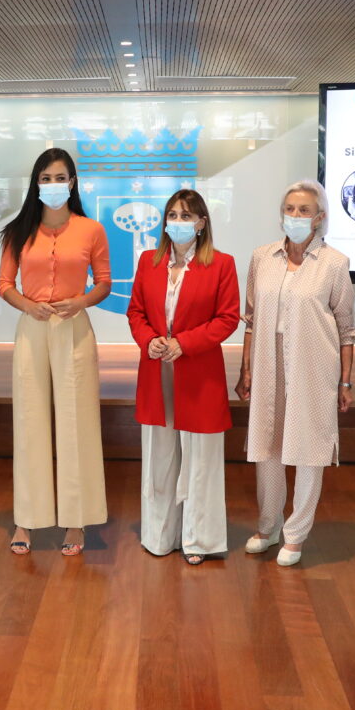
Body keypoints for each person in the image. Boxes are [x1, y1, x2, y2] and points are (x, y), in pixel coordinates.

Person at [236, 180, 355, 567]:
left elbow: (346, 328)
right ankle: (267, 527)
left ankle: (296, 534)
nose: (295, 216)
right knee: (267, 445)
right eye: (290, 208)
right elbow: (250, 319)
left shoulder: (335, 263)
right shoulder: (261, 257)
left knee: (309, 448)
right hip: (268, 361)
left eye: (304, 210)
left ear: (320, 217)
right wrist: (246, 367)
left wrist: (346, 380)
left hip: (313, 364)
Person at [0, 148, 111, 556]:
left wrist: (81, 301)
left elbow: (104, 281)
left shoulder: (91, 229)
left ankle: (76, 519)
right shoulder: (19, 230)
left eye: (59, 178)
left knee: (77, 422)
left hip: (73, 327)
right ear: (36, 183)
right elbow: (4, 284)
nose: (52, 185)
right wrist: (27, 305)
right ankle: (26, 518)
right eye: (45, 178)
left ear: (72, 182)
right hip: (32, 328)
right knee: (29, 421)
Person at [127, 190, 239, 564]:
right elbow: (136, 312)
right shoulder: (148, 262)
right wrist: (149, 340)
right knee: (159, 458)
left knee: (200, 461)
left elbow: (227, 318)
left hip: (199, 374)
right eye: (172, 215)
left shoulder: (222, 264)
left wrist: (185, 344)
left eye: (186, 216)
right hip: (156, 370)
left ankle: (199, 540)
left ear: (202, 223)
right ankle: (159, 536)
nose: (178, 222)